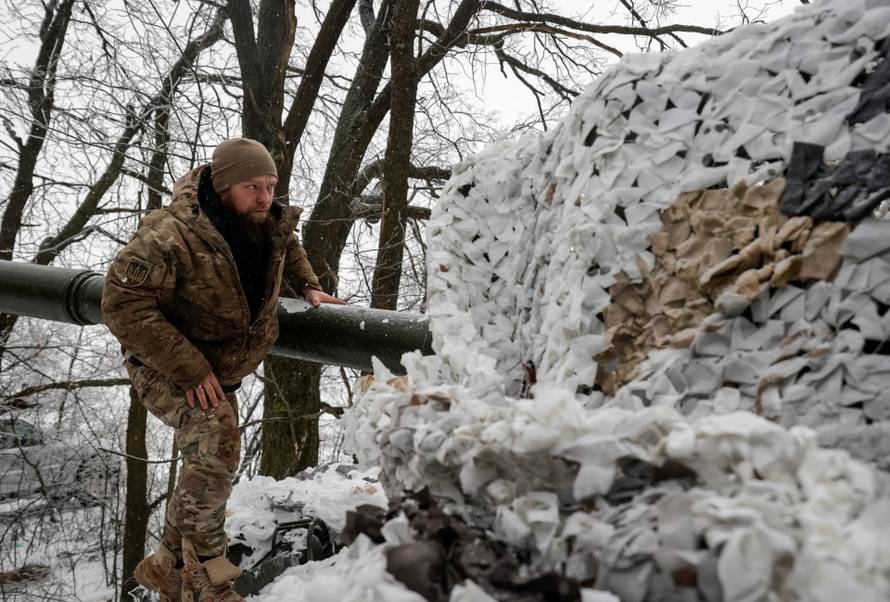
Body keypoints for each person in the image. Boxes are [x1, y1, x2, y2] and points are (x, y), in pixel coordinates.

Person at [102, 138, 345, 601]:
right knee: (216, 440)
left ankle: (163, 566)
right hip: (166, 363)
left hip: (219, 366)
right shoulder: (168, 233)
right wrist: (192, 370)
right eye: (253, 186)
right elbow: (121, 305)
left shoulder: (262, 221)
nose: (264, 197)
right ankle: (208, 576)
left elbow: (286, 245)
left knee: (208, 459)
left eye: (270, 186)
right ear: (223, 185)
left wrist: (310, 286)